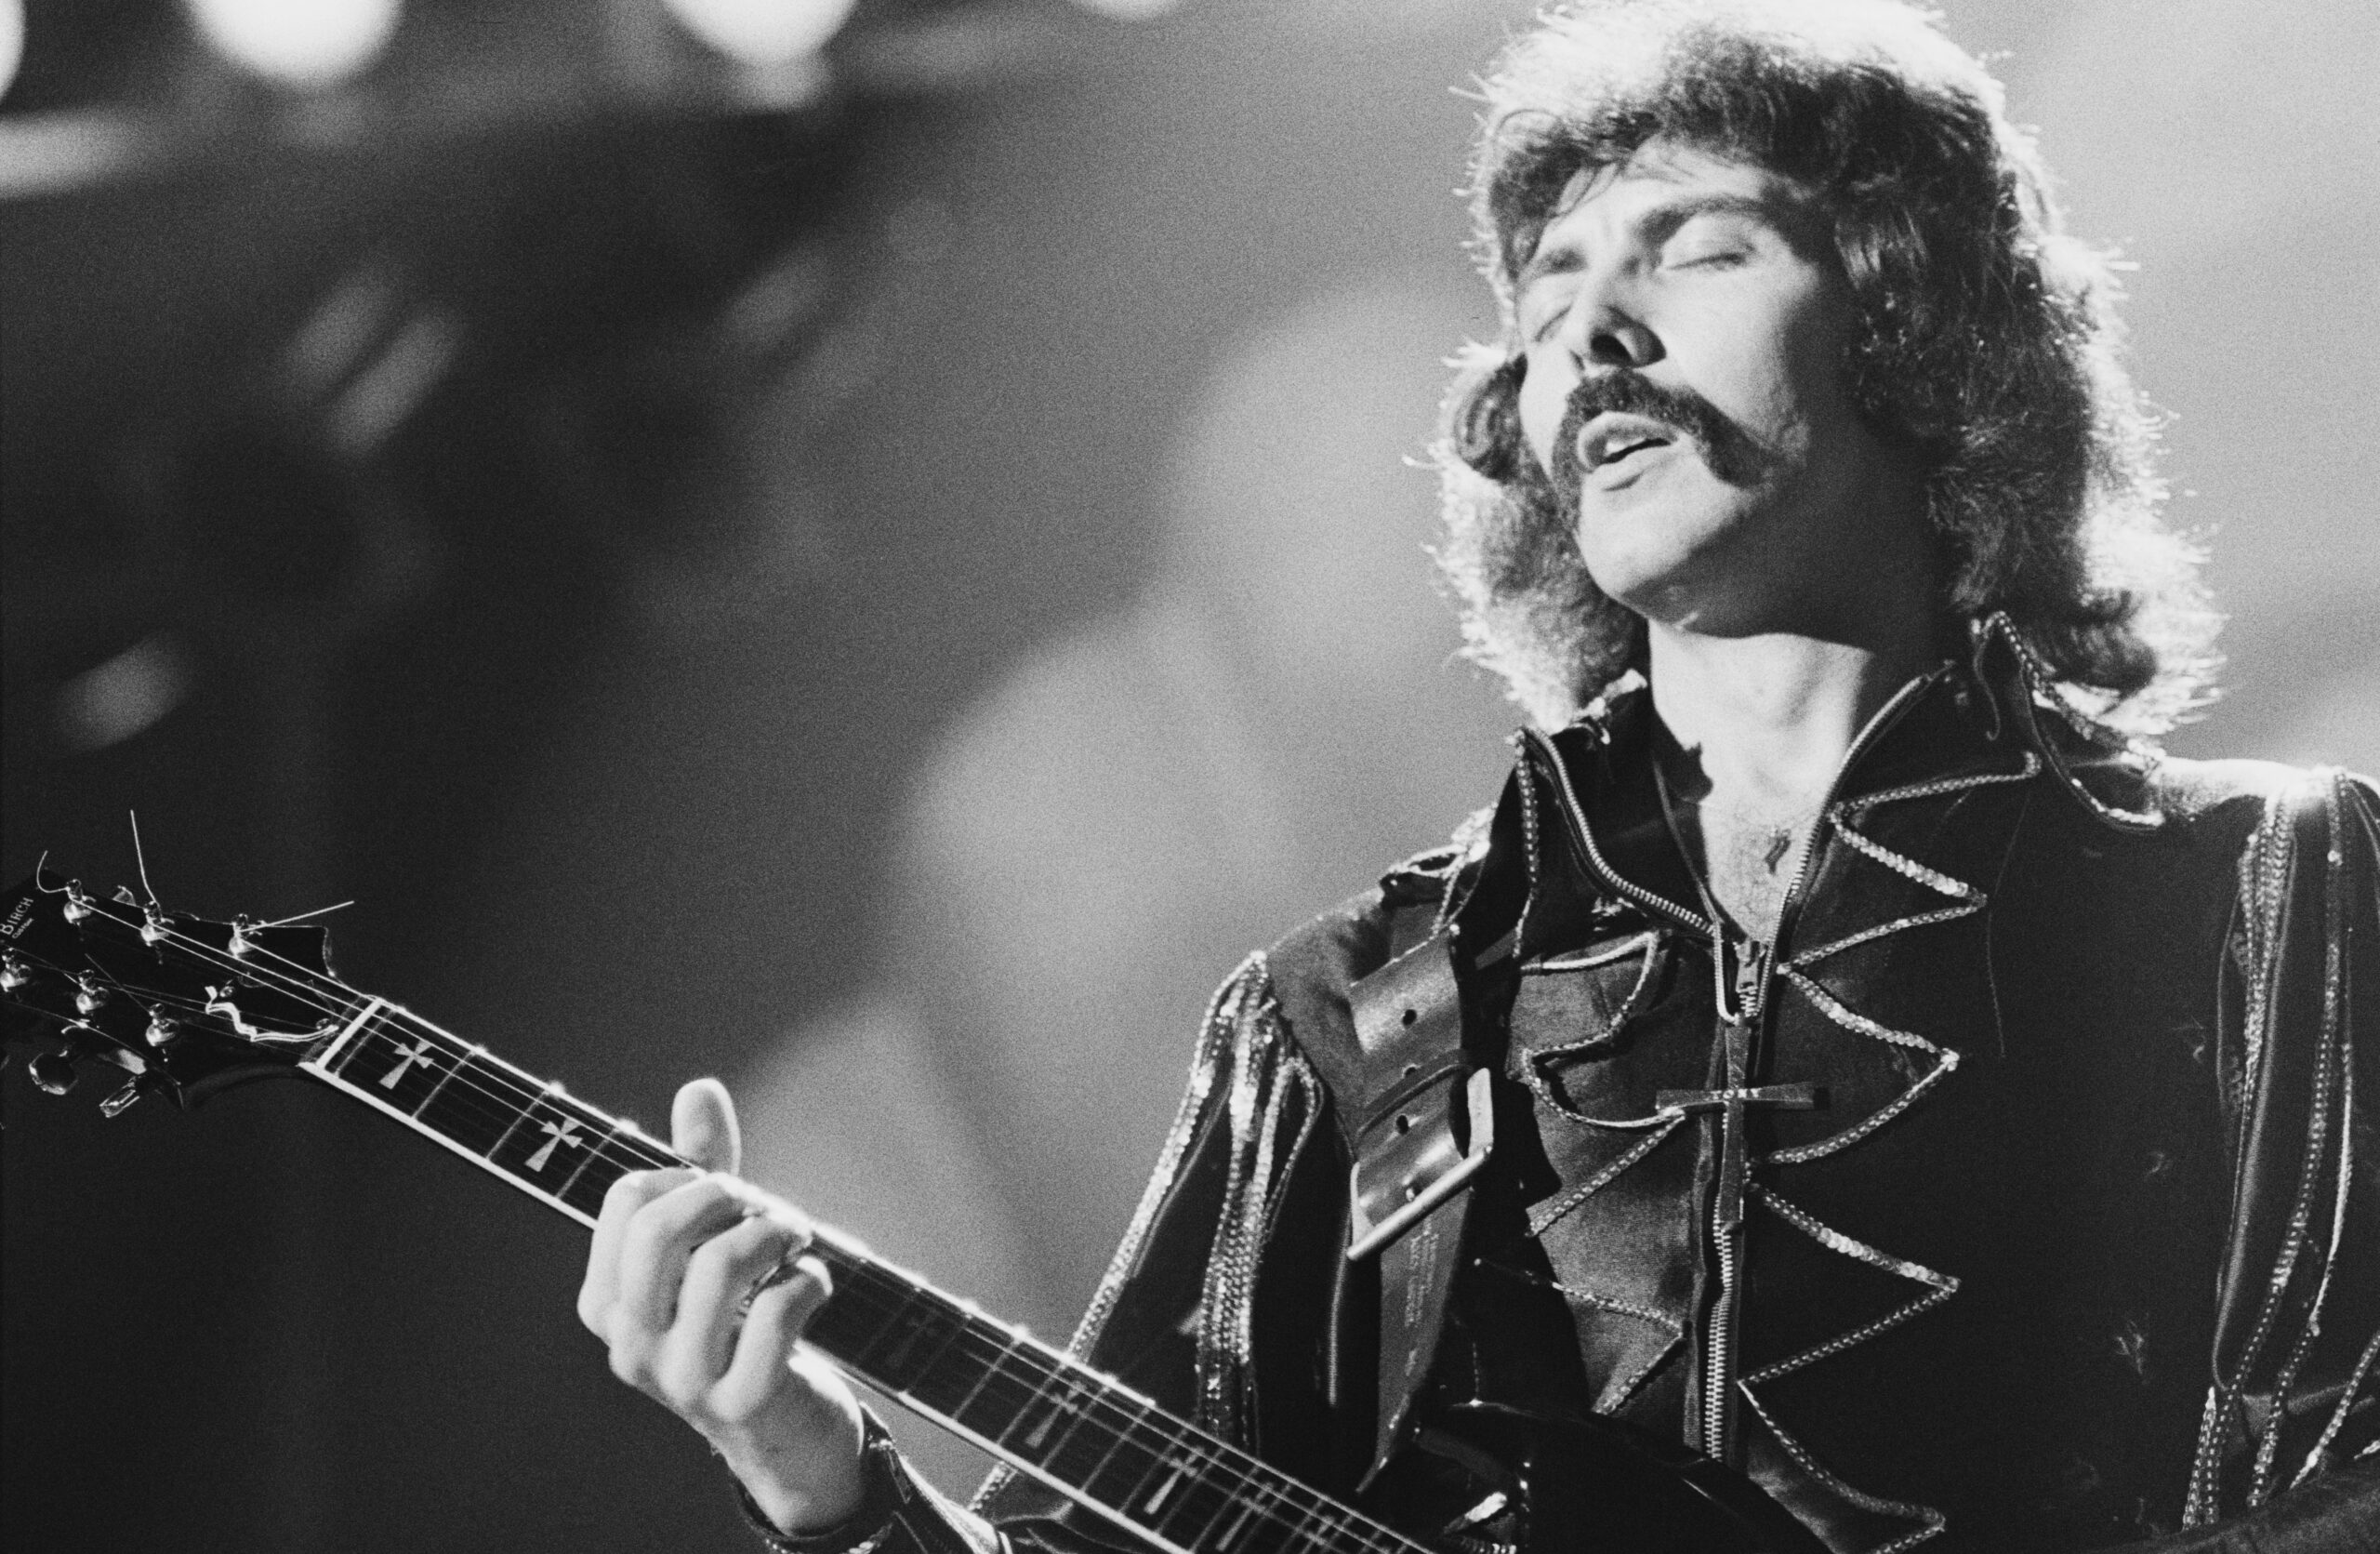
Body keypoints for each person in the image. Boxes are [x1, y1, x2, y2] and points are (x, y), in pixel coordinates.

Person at [573, 2, 2380, 1549]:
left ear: (1915, 318)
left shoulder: (2266, 885)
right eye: (1546, 291)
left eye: (1687, 247)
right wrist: (827, 1480)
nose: (1588, 333)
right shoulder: (1352, 1019)